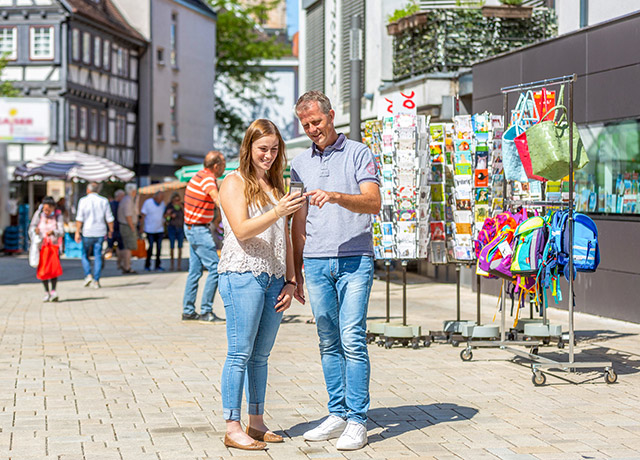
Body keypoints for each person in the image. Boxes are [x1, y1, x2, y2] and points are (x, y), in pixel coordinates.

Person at [290, 91, 381, 451]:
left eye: (317, 121)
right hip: (314, 262)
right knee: (327, 340)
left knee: (352, 337)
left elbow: (373, 202)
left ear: (331, 116)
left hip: (355, 259)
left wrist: (338, 196)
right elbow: (297, 219)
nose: (313, 129)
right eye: (306, 124)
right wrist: (293, 271)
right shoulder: (298, 163)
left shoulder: (359, 153)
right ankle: (337, 413)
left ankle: (358, 420)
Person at [218, 119, 305, 450]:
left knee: (261, 356)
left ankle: (256, 423)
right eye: (262, 149)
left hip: (273, 277)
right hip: (242, 273)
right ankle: (231, 425)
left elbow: (285, 236)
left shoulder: (277, 185)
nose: (268, 155)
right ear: (248, 148)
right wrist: (279, 210)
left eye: (274, 149)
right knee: (239, 353)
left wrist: (292, 279)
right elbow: (241, 230)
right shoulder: (234, 182)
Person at [182, 150, 226, 322]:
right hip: (199, 230)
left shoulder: (199, 175)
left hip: (192, 228)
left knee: (194, 271)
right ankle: (206, 310)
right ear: (216, 166)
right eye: (222, 165)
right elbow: (217, 199)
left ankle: (188, 310)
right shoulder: (208, 179)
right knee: (215, 268)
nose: (223, 168)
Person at [75, 182, 115, 289]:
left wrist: (77, 231)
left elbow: (79, 218)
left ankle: (88, 275)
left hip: (87, 231)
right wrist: (111, 230)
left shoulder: (83, 201)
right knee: (98, 255)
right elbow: (109, 218)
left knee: (84, 254)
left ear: (88, 190)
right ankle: (96, 280)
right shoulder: (104, 201)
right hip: (100, 232)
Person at [29, 196, 64, 301]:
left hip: (54, 246)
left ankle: (53, 291)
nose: (46, 212)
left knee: (53, 268)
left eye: (48, 209)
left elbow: (62, 231)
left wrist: (54, 232)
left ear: (53, 208)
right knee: (43, 269)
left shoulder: (58, 216)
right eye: (44, 209)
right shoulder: (38, 214)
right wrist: (35, 231)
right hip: (42, 246)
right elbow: (31, 226)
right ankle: (46, 292)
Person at [140, 191, 166, 272]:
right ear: (155, 197)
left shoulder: (162, 204)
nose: (161, 200)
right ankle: (147, 265)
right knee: (150, 248)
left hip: (159, 229)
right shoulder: (148, 203)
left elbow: (164, 215)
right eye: (160, 198)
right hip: (149, 229)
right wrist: (141, 227)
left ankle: (157, 265)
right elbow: (143, 215)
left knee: (159, 248)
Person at [117, 184, 139, 274]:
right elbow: (128, 215)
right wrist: (132, 227)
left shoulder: (128, 199)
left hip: (127, 225)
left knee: (126, 246)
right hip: (127, 225)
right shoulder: (128, 200)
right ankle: (127, 266)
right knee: (128, 247)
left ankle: (124, 264)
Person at [164, 192, 185, 271]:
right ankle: (172, 265)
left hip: (180, 228)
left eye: (178, 200)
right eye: (176, 200)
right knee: (172, 247)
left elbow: (186, 214)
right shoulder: (169, 206)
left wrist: (181, 207)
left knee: (180, 247)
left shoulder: (181, 206)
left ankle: (179, 265)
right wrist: (169, 215)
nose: (177, 201)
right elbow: (165, 216)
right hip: (172, 227)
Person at [106, 190, 125, 262]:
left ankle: (120, 263)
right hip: (115, 228)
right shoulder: (117, 205)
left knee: (113, 246)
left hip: (114, 228)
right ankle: (120, 263)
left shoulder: (111, 204)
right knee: (118, 247)